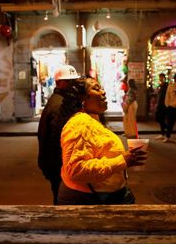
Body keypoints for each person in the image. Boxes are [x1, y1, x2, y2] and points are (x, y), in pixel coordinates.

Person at [57, 76, 147, 205]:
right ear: (83, 98)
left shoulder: (91, 119)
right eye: (96, 89)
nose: (103, 92)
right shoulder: (79, 124)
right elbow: (76, 169)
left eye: (102, 88)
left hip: (101, 196)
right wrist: (121, 161)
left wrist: (127, 160)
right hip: (88, 199)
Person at [37, 64, 80, 205]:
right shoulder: (59, 105)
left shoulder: (60, 100)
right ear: (59, 83)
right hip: (58, 167)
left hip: (55, 166)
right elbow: (56, 142)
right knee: (62, 201)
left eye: (74, 81)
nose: (72, 85)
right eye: (69, 82)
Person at [155, 73, 168, 139]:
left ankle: (165, 132)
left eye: (162, 77)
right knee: (159, 119)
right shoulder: (160, 85)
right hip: (160, 104)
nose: (160, 79)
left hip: (164, 105)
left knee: (161, 119)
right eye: (160, 77)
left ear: (164, 78)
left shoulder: (166, 85)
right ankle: (163, 132)